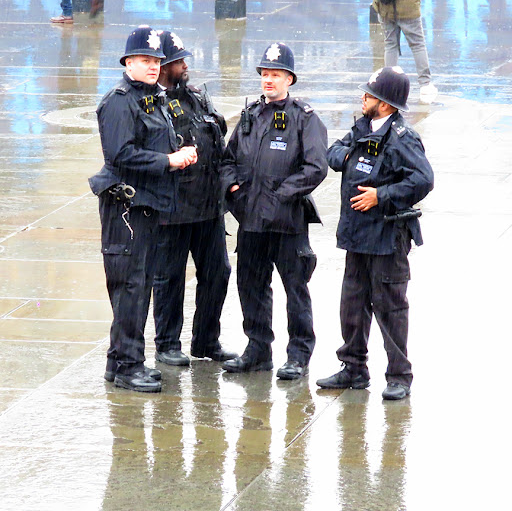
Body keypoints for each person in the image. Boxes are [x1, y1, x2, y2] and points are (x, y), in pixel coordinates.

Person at [89, 26, 198, 392]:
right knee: (130, 287)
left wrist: (179, 153)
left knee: (137, 286)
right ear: (128, 63)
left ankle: (118, 360)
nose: (153, 67)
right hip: (127, 209)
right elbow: (120, 154)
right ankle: (128, 366)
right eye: (145, 61)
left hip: (147, 206)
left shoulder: (153, 98)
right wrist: (169, 160)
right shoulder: (121, 101)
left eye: (156, 61)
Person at [316, 66, 434, 400]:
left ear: (384, 103)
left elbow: (423, 179)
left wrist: (380, 195)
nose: (363, 98)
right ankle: (353, 367)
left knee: (390, 307)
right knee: (352, 304)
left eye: (368, 95)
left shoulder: (402, 138)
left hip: (386, 236)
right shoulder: (362, 127)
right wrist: (350, 154)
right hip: (357, 235)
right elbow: (333, 153)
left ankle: (399, 375)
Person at [221, 43, 328, 380]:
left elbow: (315, 167)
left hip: (287, 221)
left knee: (295, 289)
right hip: (250, 221)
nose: (268, 80)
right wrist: (234, 190)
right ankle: (257, 348)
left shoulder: (304, 119)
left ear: (289, 79)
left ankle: (298, 354)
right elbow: (227, 159)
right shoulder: (251, 114)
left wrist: (282, 194)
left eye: (275, 75)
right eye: (264, 74)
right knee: (250, 285)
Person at [152, 30, 236, 367]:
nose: (185, 65)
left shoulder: (198, 97)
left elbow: (218, 141)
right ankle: (168, 344)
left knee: (218, 273)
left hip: (207, 208)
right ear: (162, 66)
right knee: (170, 279)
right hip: (171, 210)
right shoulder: (150, 103)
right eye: (178, 61)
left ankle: (206, 341)